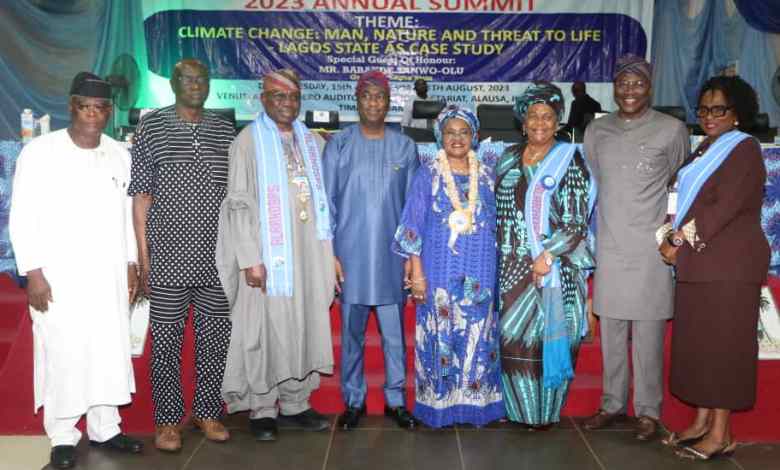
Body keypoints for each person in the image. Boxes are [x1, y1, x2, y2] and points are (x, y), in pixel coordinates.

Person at [10, 72, 142, 469]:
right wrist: (33, 272)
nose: (93, 115)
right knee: (64, 352)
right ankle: (63, 434)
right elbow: (22, 216)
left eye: (101, 108)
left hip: (109, 273)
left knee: (107, 349)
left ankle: (106, 427)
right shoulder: (40, 152)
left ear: (109, 111)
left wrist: (132, 263)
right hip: (58, 276)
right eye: (85, 107)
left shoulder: (121, 153)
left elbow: (127, 216)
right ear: (71, 107)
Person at [216, 69, 335, 441]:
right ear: (263, 100)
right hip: (267, 259)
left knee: (302, 324)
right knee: (265, 330)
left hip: (309, 254)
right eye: (278, 97)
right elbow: (238, 204)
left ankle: (296, 402)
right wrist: (250, 257)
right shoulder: (248, 142)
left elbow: (326, 202)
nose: (287, 104)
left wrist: (330, 254)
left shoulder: (313, 142)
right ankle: (263, 407)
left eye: (293, 98)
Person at [658, 76, 769, 460]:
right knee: (701, 347)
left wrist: (677, 241)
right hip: (700, 262)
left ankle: (721, 434)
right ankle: (702, 422)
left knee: (723, 349)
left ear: (737, 112)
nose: (709, 116)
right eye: (704, 109)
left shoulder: (744, 149)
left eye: (718, 109)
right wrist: (667, 236)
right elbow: (680, 198)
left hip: (730, 266)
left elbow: (719, 209)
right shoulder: (703, 149)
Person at [129, 59, 235, 451]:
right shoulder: (152, 126)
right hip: (168, 258)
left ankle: (207, 411)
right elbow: (141, 198)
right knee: (167, 343)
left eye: (202, 79)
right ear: (173, 84)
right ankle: (168, 422)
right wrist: (144, 259)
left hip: (217, 258)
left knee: (215, 338)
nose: (196, 85)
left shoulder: (224, 129)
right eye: (188, 79)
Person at [583, 55, 689, 440]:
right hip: (611, 246)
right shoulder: (597, 131)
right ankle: (612, 404)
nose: (630, 90)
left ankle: (648, 411)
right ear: (614, 87)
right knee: (611, 330)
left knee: (647, 334)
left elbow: (678, 176)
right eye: (623, 83)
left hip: (650, 251)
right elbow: (598, 176)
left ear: (650, 87)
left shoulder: (672, 129)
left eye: (638, 83)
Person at [393, 105, 505, 427]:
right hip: (439, 269)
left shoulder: (487, 174)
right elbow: (412, 223)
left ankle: (477, 404)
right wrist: (416, 272)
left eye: (464, 132)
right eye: (450, 132)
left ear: (475, 136)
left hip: (481, 269)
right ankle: (440, 405)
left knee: (477, 336)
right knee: (441, 336)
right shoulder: (427, 173)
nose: (457, 138)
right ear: (440, 137)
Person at [496, 83, 596, 428]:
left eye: (548, 117)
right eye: (533, 116)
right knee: (515, 342)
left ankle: (544, 414)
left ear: (558, 123)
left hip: (556, 269)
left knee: (547, 341)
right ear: (523, 122)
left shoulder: (571, 159)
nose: (540, 122)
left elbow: (576, 221)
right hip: (510, 270)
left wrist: (547, 254)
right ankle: (517, 411)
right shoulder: (507, 157)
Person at [323, 70, 419, 430]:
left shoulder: (404, 147)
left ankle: (396, 400)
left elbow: (413, 209)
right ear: (357, 100)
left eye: (380, 96)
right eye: (367, 96)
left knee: (394, 336)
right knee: (351, 334)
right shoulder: (340, 144)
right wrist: (329, 253)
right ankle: (354, 400)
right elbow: (326, 203)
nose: (374, 103)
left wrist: (412, 258)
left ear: (389, 101)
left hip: (391, 258)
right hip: (349, 256)